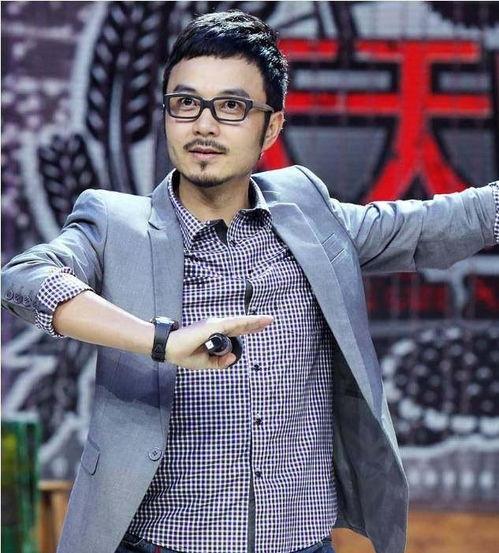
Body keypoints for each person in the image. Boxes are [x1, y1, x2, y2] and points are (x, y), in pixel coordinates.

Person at [2, 9, 498, 553]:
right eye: (185, 103)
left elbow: (437, 224)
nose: (204, 125)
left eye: (232, 106)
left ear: (272, 127)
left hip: (302, 543)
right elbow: (24, 278)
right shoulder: (116, 224)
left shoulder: (310, 215)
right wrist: (161, 341)